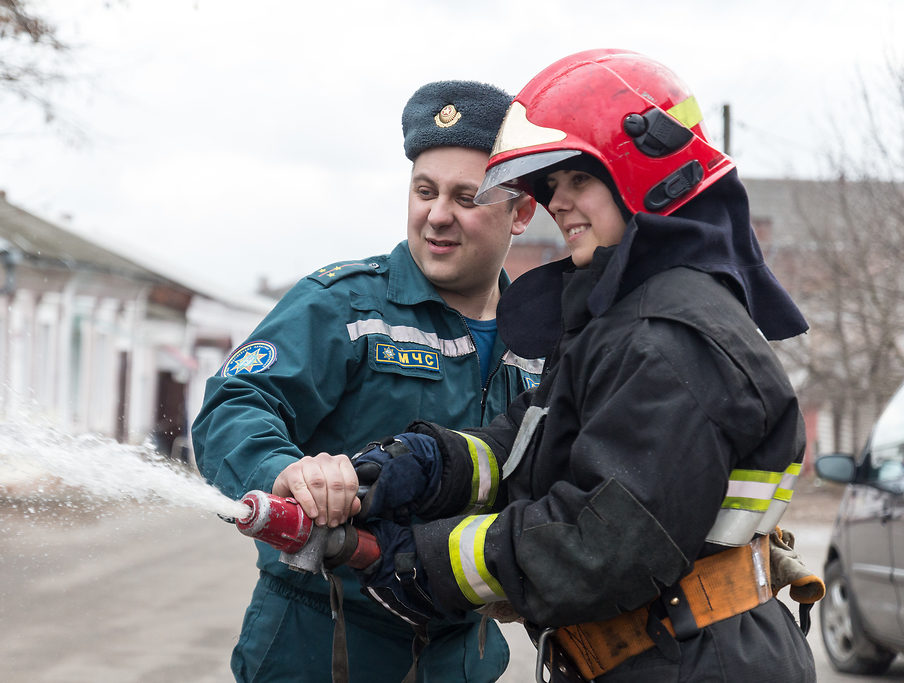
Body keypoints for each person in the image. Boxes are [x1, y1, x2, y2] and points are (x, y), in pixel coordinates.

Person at [330, 49, 820, 682]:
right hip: (665, 656)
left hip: (693, 663)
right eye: (552, 186)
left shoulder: (669, 337)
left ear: (642, 176)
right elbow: (532, 445)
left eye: (578, 180)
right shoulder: (621, 317)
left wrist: (424, 560)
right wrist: (425, 465)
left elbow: (602, 545)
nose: (558, 203)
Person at [191, 80, 539, 682]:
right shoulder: (344, 306)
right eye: (424, 191)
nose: (437, 215)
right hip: (321, 642)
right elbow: (234, 403)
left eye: (466, 197)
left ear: (522, 212)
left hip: (464, 653)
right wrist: (288, 472)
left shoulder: (541, 343)